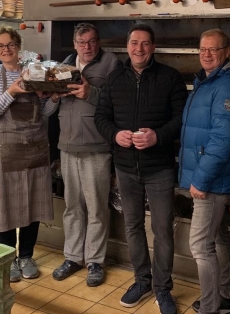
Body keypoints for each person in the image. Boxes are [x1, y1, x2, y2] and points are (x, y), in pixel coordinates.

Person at [95, 24, 187, 314]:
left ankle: (163, 288)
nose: (139, 48)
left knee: (162, 229)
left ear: (153, 47)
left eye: (145, 43)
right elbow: (101, 117)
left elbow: (180, 119)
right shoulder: (114, 78)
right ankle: (142, 280)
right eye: (134, 43)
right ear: (127, 46)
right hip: (125, 167)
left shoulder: (169, 77)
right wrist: (115, 135)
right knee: (133, 226)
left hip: (159, 168)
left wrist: (157, 136)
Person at [46, 23, 121, 287]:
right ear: (75, 44)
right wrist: (54, 97)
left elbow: (119, 102)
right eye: (82, 42)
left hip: (97, 146)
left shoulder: (111, 63)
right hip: (67, 146)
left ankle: (95, 262)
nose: (87, 47)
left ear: (98, 42)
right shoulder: (64, 65)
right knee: (73, 207)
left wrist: (91, 93)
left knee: (97, 207)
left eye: (92, 41)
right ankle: (73, 257)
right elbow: (49, 107)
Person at [0, 25, 56, 282]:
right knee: (6, 206)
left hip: (35, 147)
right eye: (0, 46)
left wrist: (54, 97)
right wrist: (12, 91)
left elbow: (44, 113)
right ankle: (8, 258)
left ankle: (26, 256)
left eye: (10, 44)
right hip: (7, 150)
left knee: (32, 203)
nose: (6, 50)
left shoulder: (34, 72)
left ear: (18, 46)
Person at [179, 29, 230, 314]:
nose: (206, 55)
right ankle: (228, 298)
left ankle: (210, 307)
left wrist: (201, 179)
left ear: (227, 52)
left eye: (213, 49)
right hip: (207, 176)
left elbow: (223, 139)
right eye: (203, 49)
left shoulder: (227, 87)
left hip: (212, 180)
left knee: (200, 245)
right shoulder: (207, 81)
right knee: (217, 237)